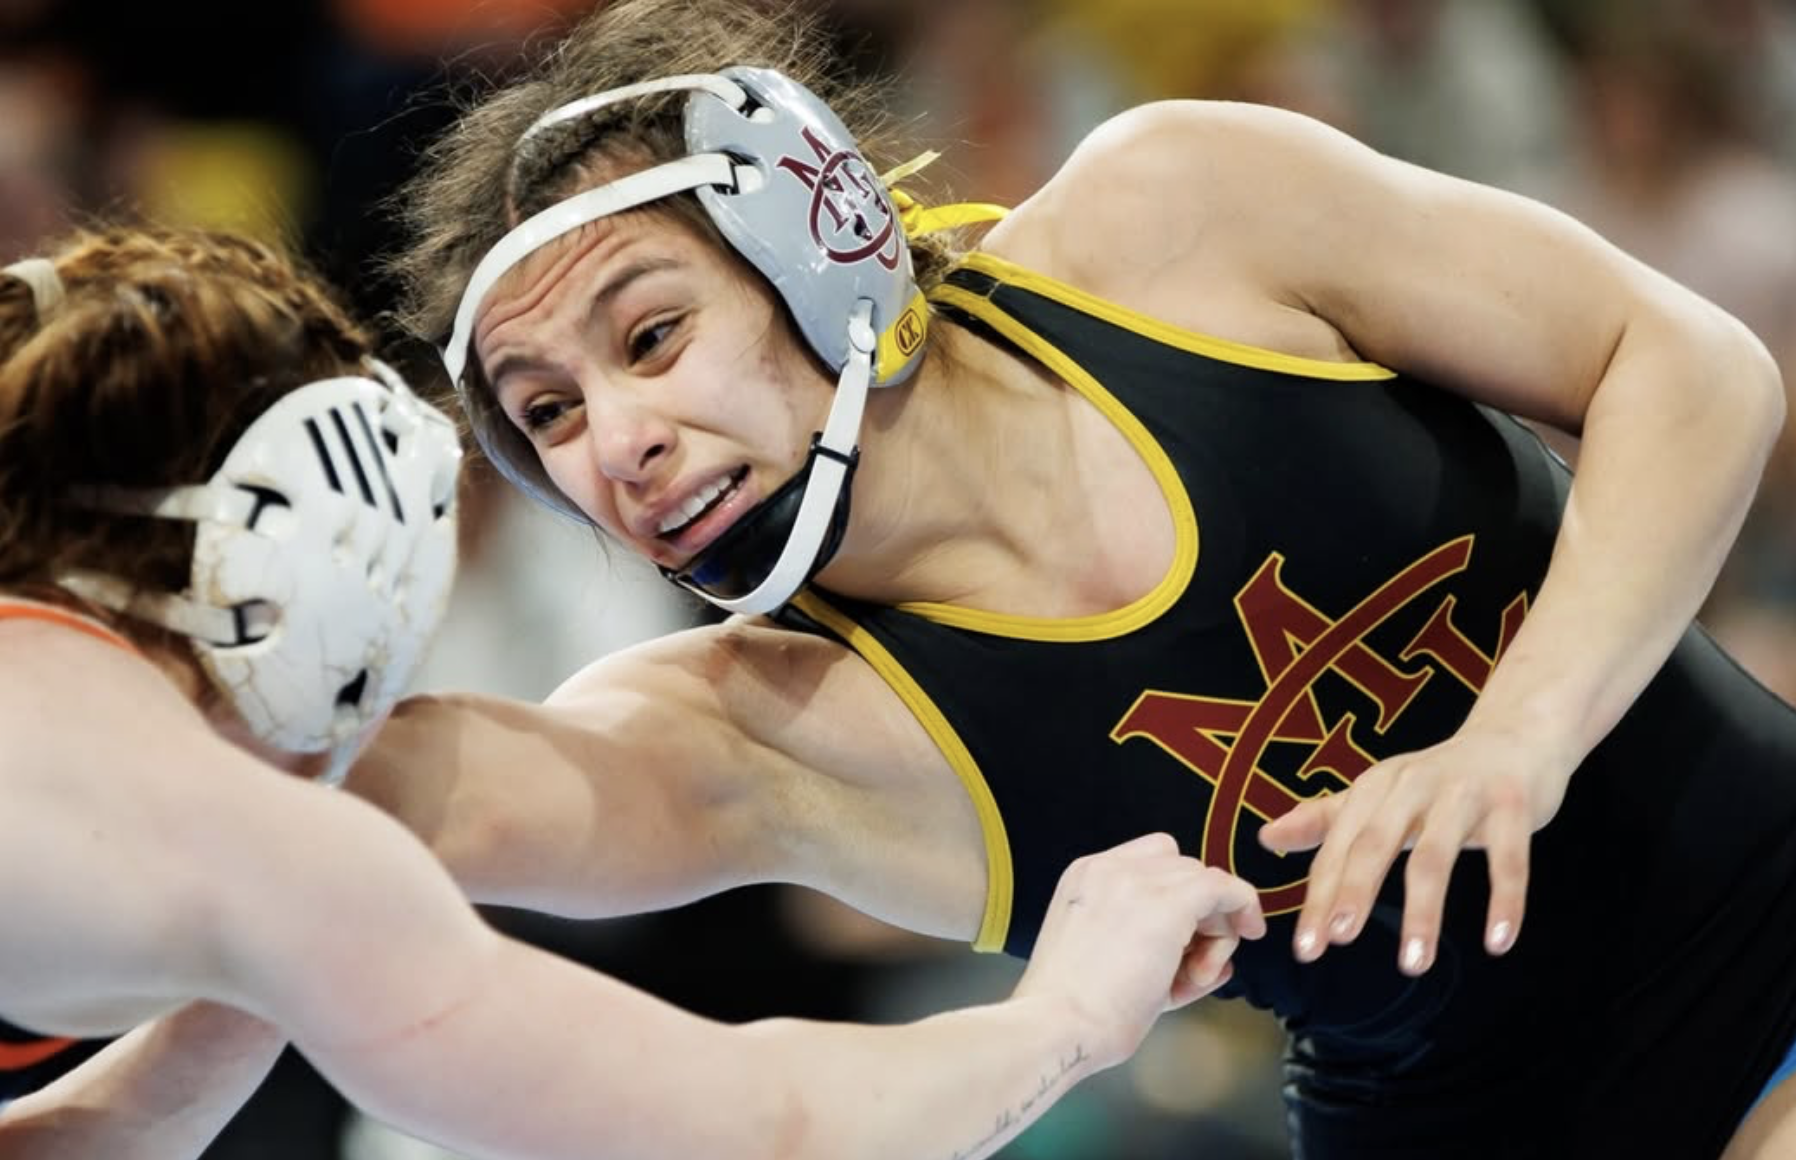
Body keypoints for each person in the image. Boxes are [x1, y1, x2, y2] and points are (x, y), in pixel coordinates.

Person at [366, 0, 1796, 1156]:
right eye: (546, 413)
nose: (617, 443)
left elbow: (1691, 365)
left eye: (652, 336)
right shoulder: (761, 723)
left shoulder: (1173, 225)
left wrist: (1520, 739)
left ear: (815, 246)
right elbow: (378, 812)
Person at [0, 224, 1266, 1160]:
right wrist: (1069, 1014)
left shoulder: (157, 816)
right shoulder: (251, 847)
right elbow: (768, 1131)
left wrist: (261, 970)